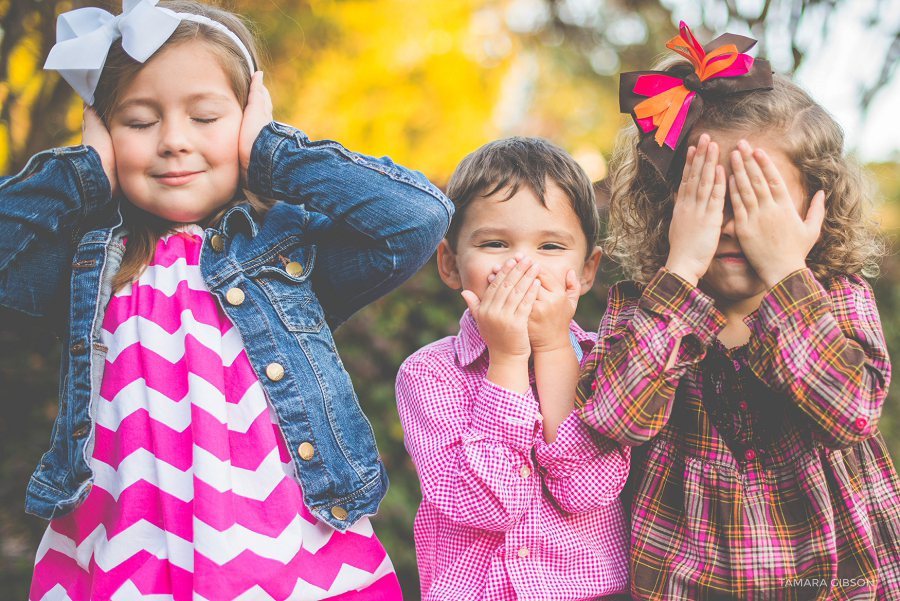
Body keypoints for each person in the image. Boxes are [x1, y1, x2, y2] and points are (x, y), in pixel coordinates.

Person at [0, 1, 453, 598]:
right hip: (125, 554)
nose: (173, 142)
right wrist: (83, 171)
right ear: (104, 130)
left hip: (285, 551)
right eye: (138, 122)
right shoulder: (88, 264)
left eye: (206, 116)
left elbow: (417, 218)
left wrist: (271, 151)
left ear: (246, 118)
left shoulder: (286, 254)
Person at [576, 22, 900, 600]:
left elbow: (851, 413)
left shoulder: (837, 298)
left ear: (815, 207)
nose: (730, 220)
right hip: (685, 579)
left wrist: (786, 274)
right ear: (665, 205)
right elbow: (617, 418)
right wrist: (680, 274)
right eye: (708, 195)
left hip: (834, 576)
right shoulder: (646, 311)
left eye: (757, 198)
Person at [395, 137, 630, 601]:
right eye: (495, 242)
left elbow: (586, 489)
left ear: (586, 271)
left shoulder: (604, 360)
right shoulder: (428, 375)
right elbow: (484, 505)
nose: (521, 265)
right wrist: (507, 360)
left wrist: (553, 349)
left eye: (550, 245)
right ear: (450, 263)